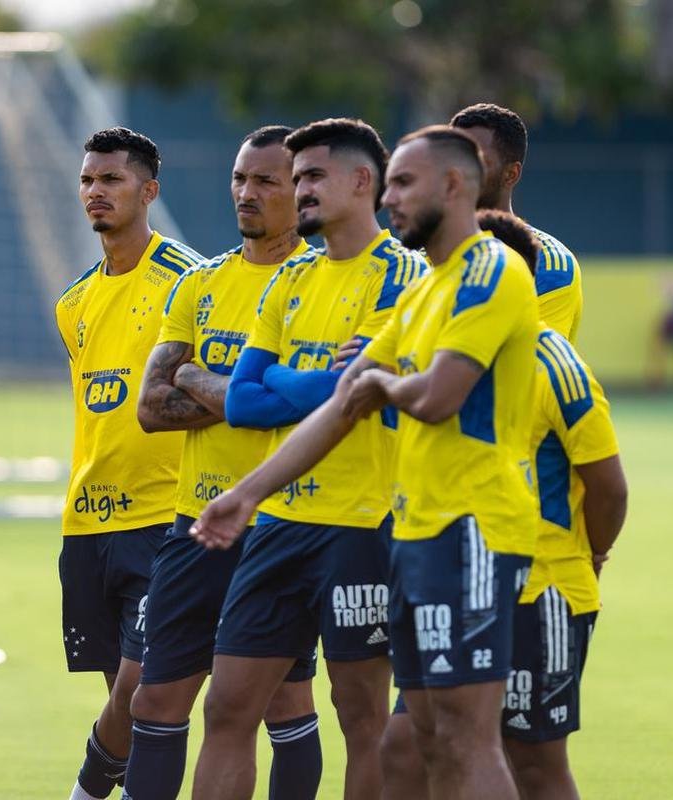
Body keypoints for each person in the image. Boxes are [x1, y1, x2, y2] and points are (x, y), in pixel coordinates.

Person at [193, 125, 542, 800]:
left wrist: (378, 385)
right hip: (413, 535)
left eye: (403, 185)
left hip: (471, 530)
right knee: (427, 738)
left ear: (452, 185)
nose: (390, 201)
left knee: (461, 735)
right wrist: (246, 493)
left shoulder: (487, 271)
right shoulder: (423, 293)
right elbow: (338, 404)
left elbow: (437, 396)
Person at [188, 118, 426, 800]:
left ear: (362, 182)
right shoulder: (290, 278)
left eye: (312, 177)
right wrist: (322, 380)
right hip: (278, 523)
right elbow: (240, 401)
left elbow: (356, 395)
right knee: (227, 707)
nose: (299, 192)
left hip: (362, 525)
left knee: (361, 717)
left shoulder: (401, 277)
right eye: (295, 180)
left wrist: (292, 381)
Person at [379, 210, 629, 800]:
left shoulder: (553, 360)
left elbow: (609, 485)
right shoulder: (426, 346)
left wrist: (590, 555)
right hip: (447, 574)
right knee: (412, 744)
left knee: (531, 759)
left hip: (538, 586)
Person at [124, 125, 318, 800]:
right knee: (153, 704)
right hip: (194, 523)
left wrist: (202, 381)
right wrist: (255, 393)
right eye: (240, 177)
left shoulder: (318, 288)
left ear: (303, 192)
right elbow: (148, 407)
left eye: (265, 181)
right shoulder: (199, 284)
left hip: (282, 527)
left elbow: (304, 407)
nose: (246, 192)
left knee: (281, 708)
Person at [54, 127, 203, 800]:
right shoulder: (74, 302)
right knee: (122, 697)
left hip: (165, 521)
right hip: (87, 525)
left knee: (144, 690)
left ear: (147, 191)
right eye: (87, 179)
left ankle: (86, 790)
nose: (95, 191)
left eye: (110, 180)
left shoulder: (190, 282)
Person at [451, 103, 583, 342]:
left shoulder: (549, 264)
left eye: (476, 161)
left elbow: (525, 364)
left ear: (511, 174)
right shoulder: (425, 256)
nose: (458, 172)